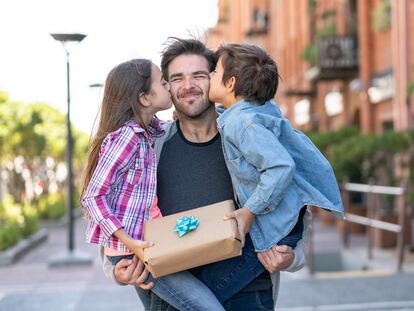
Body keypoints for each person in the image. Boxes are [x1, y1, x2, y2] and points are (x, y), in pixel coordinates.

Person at [102, 38, 312, 311]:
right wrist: (117, 271)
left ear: (219, 81)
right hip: (174, 297)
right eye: (177, 78)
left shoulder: (249, 135)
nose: (188, 86)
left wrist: (292, 256)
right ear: (165, 87)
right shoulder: (149, 147)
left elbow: (293, 203)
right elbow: (115, 212)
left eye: (199, 75)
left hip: (249, 292)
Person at [82, 59, 230, 311]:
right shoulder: (127, 137)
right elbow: (93, 197)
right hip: (137, 250)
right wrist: (130, 243)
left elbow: (183, 125)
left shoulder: (149, 131)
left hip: (149, 244)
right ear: (145, 98)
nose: (169, 87)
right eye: (163, 82)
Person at [209, 43, 344, 254]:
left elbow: (281, 166)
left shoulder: (243, 124)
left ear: (230, 83)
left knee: (214, 279)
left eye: (215, 72)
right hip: (287, 220)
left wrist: (248, 211)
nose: (210, 75)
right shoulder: (255, 112)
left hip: (278, 228)